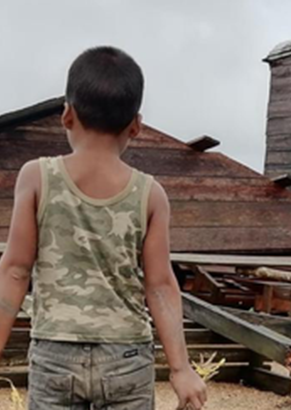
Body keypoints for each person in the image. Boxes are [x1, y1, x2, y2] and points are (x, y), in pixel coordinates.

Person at [0, 46, 207, 410]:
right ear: (136, 126)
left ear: (67, 114)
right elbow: (160, 285)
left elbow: (15, 270)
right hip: (127, 358)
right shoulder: (150, 195)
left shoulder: (36, 178)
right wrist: (181, 369)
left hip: (56, 354)